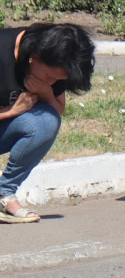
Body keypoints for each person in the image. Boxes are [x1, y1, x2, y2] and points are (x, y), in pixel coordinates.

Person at [0, 24, 94, 223]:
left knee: (45, 122)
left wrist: (46, 91)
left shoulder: (58, 64)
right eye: (50, 77)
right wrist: (11, 112)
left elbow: (55, 113)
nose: (53, 82)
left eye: (58, 80)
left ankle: (3, 193)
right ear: (34, 55)